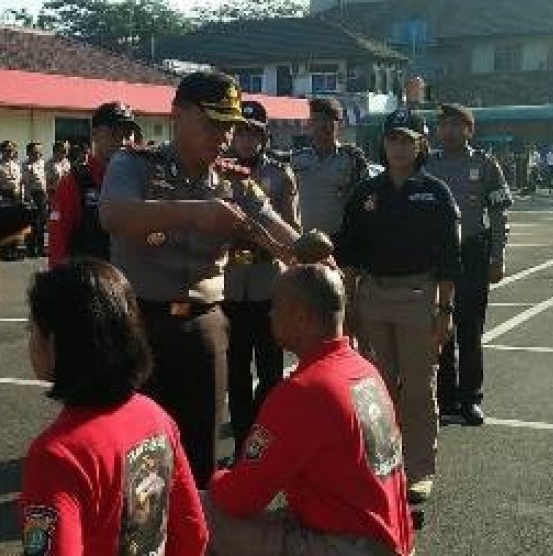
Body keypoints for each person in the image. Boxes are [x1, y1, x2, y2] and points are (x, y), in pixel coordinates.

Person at [100, 71, 302, 488]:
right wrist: (194, 211)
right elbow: (114, 214)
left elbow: (274, 223)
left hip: (205, 324)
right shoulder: (135, 164)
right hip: (142, 322)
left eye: (230, 125)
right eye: (214, 122)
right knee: (140, 452)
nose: (224, 135)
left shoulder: (232, 180)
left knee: (201, 450)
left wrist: (313, 255)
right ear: (178, 115)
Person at [204, 265, 415, 556]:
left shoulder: (305, 391)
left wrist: (215, 479)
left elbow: (240, 498)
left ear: (301, 317)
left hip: (347, 543)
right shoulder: (364, 371)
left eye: (276, 307)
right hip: (386, 538)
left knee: (199, 512)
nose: (270, 315)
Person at [20, 259, 208, 556]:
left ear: (55, 342)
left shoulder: (57, 456)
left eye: (32, 328)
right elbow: (193, 531)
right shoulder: (155, 416)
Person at [334, 108, 461, 504]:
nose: (399, 147)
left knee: (419, 391)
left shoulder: (436, 193)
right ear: (383, 142)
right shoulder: (365, 193)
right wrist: (350, 305)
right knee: (377, 391)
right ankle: (381, 465)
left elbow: (449, 260)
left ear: (421, 144)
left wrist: (445, 312)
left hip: (417, 298)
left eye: (408, 140)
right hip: (372, 299)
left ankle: (419, 469)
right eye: (393, 139)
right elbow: (350, 255)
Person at [425, 103, 513, 426]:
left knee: (470, 329)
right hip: (437, 255)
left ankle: (471, 398)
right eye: (443, 125)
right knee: (440, 327)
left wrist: (498, 257)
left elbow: (500, 214)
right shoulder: (427, 164)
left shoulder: (485, 164)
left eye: (456, 125)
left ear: (469, 130)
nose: (448, 130)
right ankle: (446, 399)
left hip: (473, 253)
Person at [223, 100, 300, 453]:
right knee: (235, 371)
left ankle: (263, 443)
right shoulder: (216, 171)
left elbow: (291, 226)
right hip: (230, 284)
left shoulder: (280, 174)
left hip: (268, 280)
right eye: (241, 132)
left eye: (253, 133)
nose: (246, 140)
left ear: (264, 137)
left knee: (270, 373)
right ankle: (242, 445)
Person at [47, 102, 141, 268]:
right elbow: (58, 245)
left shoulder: (142, 180)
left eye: (128, 135)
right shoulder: (73, 183)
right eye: (114, 134)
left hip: (134, 285)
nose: (123, 141)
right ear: (94, 134)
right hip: (90, 287)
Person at [291, 97, 371, 235]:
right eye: (317, 119)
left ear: (339, 124)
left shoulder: (353, 159)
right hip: (303, 240)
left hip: (341, 239)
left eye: (328, 119)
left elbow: (365, 199)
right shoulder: (296, 159)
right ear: (310, 123)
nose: (322, 125)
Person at [0, 139, 23, 261]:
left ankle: (14, 250)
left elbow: (20, 182)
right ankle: (5, 251)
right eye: (7, 150)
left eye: (12, 150)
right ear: (2, 151)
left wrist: (21, 195)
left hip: (16, 196)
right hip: (4, 195)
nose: (10, 152)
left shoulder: (17, 165)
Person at [21, 142, 48, 258]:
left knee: (41, 223)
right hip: (32, 195)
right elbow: (25, 184)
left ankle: (41, 249)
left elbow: (45, 180)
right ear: (28, 153)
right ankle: (30, 249)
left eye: (40, 152)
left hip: (42, 195)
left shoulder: (42, 163)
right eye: (35, 152)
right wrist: (29, 199)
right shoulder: (25, 166)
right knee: (32, 224)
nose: (38, 155)